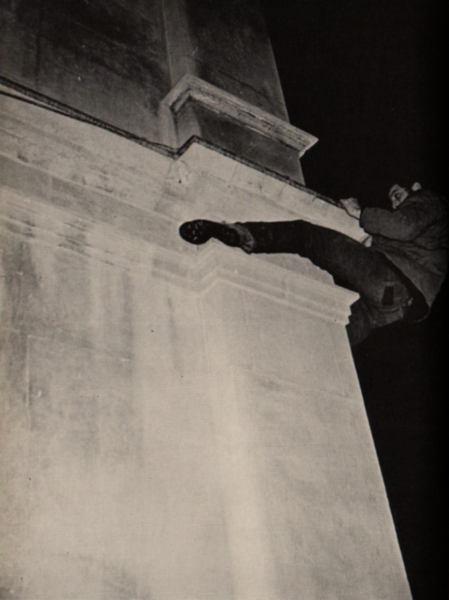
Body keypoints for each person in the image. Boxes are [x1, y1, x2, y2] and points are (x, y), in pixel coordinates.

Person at [179, 183, 448, 346]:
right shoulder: (433, 247)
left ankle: (239, 233)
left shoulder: (429, 200)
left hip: (390, 282)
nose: (394, 202)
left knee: (307, 236)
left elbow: (402, 226)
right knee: (332, 340)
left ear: (415, 186)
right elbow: (405, 243)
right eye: (392, 199)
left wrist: (360, 213)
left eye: (398, 194)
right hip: (393, 306)